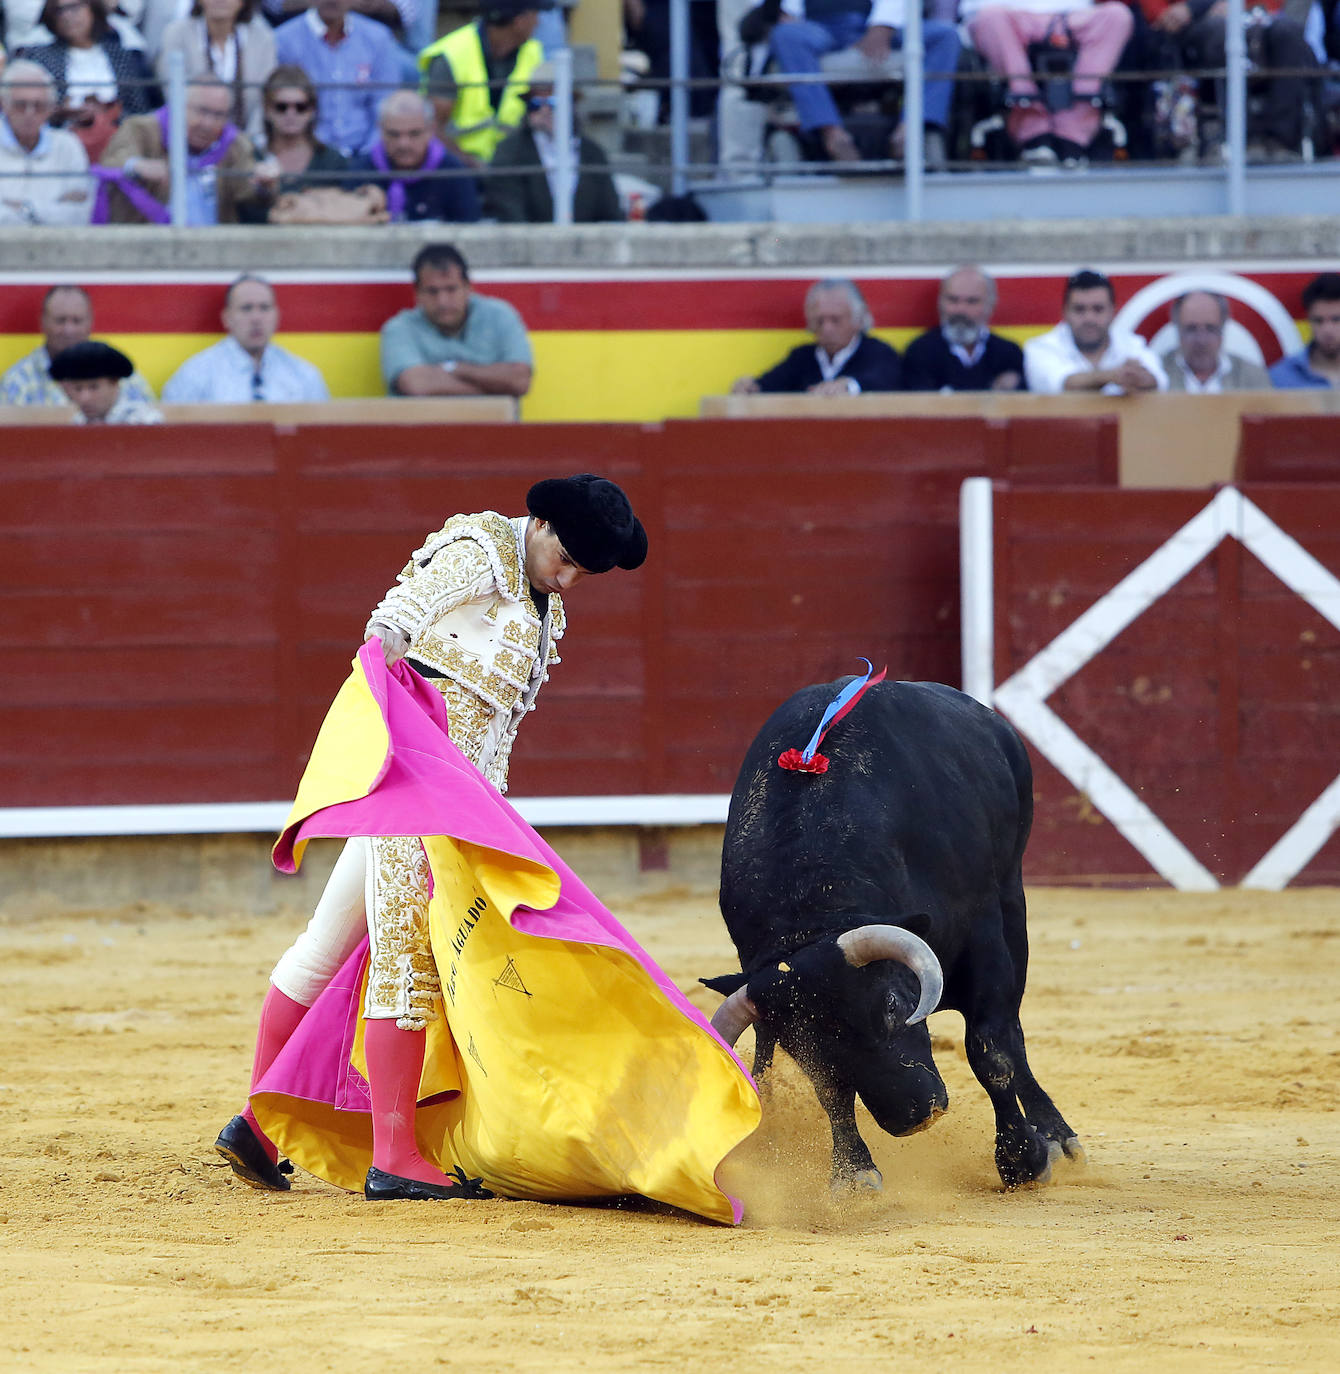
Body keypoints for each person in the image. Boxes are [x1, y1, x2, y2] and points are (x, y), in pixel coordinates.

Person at [213, 475, 664, 1203]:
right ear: (539, 521)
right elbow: (394, 621)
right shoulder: (480, 547)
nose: (571, 577)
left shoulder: (540, 595)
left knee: (325, 948)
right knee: (408, 957)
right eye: (568, 558)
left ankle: (257, 1125)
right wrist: (392, 691)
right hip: (417, 785)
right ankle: (393, 1156)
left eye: (586, 572)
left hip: (458, 799)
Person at [765, 0, 961, 166]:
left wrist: (883, 25)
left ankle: (910, 131)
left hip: (877, 21)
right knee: (785, 35)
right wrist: (781, 13)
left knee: (945, 35)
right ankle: (833, 135)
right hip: (817, 26)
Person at [1140, 0, 1321, 159]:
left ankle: (1281, 141)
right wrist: (1200, 6)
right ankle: (1239, 138)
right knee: (1220, 31)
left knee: (1288, 32)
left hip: (1256, 19)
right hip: (1195, 23)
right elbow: (1158, 13)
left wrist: (1240, 9)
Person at [963, 0, 1134, 165]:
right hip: (1008, 14)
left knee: (1117, 15)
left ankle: (1072, 133)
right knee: (990, 17)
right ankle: (1032, 130)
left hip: (1073, 15)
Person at [96, 73, 264, 222]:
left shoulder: (234, 143)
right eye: (202, 111)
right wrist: (137, 165)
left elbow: (247, 191)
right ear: (178, 105)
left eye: (218, 115)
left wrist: (263, 184)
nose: (208, 124)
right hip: (148, 245)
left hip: (213, 248)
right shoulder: (141, 129)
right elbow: (111, 161)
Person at [380, 242, 533, 398]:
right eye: (432, 291)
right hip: (427, 422)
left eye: (451, 289)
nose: (442, 301)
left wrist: (453, 368)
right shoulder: (400, 328)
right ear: (417, 294)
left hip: (490, 422)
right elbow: (415, 385)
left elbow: (519, 380)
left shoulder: (500, 315)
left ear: (468, 288)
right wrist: (496, 388)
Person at [484, 59, 623, 223]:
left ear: (571, 105)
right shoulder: (509, 152)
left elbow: (610, 213)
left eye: (553, 103)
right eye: (535, 104)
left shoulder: (592, 153)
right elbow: (508, 211)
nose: (544, 110)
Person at [161, 274, 331, 403]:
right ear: (227, 318)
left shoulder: (304, 375)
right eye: (246, 308)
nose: (256, 318)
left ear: (277, 315)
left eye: (264, 308)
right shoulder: (196, 375)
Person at [419, 0, 550, 165]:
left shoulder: (533, 53)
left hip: (513, 166)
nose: (538, 22)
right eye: (535, 14)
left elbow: (542, 116)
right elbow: (432, 128)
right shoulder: (451, 55)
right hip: (457, 167)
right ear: (519, 21)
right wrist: (470, 165)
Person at [17, 0, 159, 149]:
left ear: (93, 8)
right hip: (59, 144)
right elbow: (27, 108)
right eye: (59, 10)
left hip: (119, 144)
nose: (67, 16)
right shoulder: (39, 57)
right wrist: (62, 112)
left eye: (74, 7)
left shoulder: (122, 55)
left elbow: (140, 111)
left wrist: (107, 112)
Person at [273, 0, 402, 157]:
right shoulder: (283, 40)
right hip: (308, 157)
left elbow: (385, 104)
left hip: (365, 155)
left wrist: (370, 153)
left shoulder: (378, 38)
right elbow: (277, 104)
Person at [731, 278, 901, 394]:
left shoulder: (879, 353)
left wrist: (849, 386)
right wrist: (751, 387)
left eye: (835, 320)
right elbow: (769, 386)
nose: (827, 328)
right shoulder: (802, 358)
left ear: (858, 319)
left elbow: (883, 380)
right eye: (819, 321)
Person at [1, 283, 155, 406]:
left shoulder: (122, 375)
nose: (69, 330)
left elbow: (152, 427)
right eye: (60, 320)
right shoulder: (18, 381)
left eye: (77, 320)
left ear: (90, 322)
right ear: (43, 322)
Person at [1023, 268, 1168, 394]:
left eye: (1098, 309)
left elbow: (1160, 382)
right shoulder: (1041, 348)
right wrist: (1112, 376)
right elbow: (1061, 385)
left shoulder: (1132, 345)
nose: (1089, 318)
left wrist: (1143, 379)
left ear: (1113, 312)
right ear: (1065, 312)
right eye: (1079, 309)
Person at [155, 0, 277, 149]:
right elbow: (175, 94)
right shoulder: (176, 34)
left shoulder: (263, 38)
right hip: (187, 143)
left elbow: (265, 98)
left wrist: (246, 145)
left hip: (247, 145)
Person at [346, 89, 481, 222]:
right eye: (394, 134)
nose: (403, 144)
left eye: (414, 133)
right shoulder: (361, 172)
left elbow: (469, 232)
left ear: (431, 130)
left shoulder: (453, 173)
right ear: (381, 130)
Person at [237, 64, 348, 220]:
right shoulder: (248, 158)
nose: (291, 114)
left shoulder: (333, 162)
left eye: (300, 107)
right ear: (267, 109)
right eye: (281, 107)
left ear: (312, 110)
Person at [901, 265, 1026, 391]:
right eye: (953, 300)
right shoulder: (920, 352)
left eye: (972, 301)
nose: (961, 310)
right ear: (940, 303)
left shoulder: (1009, 354)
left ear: (991, 305)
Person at [0, 57, 93, 224]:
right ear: (4, 104)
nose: (29, 113)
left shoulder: (68, 145)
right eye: (20, 105)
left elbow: (79, 215)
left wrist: (24, 209)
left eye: (38, 106)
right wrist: (51, 210)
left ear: (51, 109)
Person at [1159, 290, 1271, 392]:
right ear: (1177, 327)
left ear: (1223, 327)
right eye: (1191, 329)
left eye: (1210, 329)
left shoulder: (1252, 378)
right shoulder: (1157, 374)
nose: (1201, 340)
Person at [48, 339, 165, 423]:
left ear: (114, 382)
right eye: (78, 389)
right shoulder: (77, 423)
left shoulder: (144, 423)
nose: (85, 398)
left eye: (94, 387)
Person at [1270, 272, 1340, 389]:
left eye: (1336, 319)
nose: (1327, 330)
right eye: (1318, 320)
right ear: (1308, 320)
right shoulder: (1280, 377)